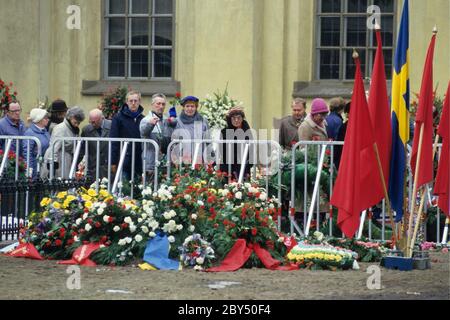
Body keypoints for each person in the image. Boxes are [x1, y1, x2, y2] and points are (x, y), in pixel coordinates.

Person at [140, 93, 177, 181]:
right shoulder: (146, 120)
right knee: (149, 190)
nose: (161, 106)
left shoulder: (167, 120)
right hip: (150, 163)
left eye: (163, 104)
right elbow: (144, 132)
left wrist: (174, 122)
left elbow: (171, 139)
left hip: (166, 163)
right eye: (158, 103)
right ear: (152, 105)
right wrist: (150, 124)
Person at [110, 91, 145, 181]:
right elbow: (114, 140)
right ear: (126, 102)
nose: (133, 103)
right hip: (123, 160)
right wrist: (113, 162)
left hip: (138, 162)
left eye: (136, 101)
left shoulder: (143, 119)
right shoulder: (118, 118)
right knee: (123, 189)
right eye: (131, 101)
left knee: (137, 191)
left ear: (139, 102)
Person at [43, 106, 85, 179]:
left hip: (66, 160)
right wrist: (53, 166)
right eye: (75, 122)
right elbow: (54, 148)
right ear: (70, 117)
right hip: (60, 161)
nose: (77, 125)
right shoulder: (61, 128)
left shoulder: (73, 129)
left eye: (79, 123)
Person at [173, 96, 210, 165]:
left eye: (192, 106)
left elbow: (208, 140)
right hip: (182, 161)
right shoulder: (177, 121)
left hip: (200, 160)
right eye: (187, 106)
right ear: (183, 107)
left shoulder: (203, 121)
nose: (190, 108)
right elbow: (174, 142)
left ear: (196, 108)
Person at [220, 106, 253, 180]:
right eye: (233, 118)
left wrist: (249, 164)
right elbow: (221, 150)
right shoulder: (224, 132)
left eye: (239, 117)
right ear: (230, 119)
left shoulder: (247, 131)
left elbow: (251, 149)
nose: (236, 120)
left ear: (242, 118)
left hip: (244, 166)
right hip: (228, 167)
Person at [80, 109, 112, 180]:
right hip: (93, 167)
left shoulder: (112, 126)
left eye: (94, 122)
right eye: (91, 122)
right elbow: (82, 149)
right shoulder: (86, 130)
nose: (92, 124)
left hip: (109, 166)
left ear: (102, 118)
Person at [22, 108, 50, 179]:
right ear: (39, 119)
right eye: (45, 118)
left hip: (45, 167)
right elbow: (27, 153)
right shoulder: (29, 133)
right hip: (35, 167)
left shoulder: (46, 132)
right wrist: (29, 170)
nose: (48, 119)